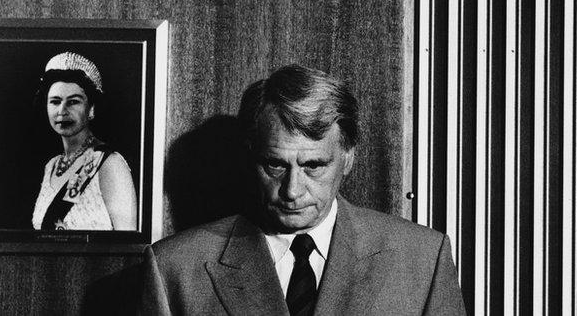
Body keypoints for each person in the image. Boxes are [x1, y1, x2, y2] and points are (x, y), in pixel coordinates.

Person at [140, 64, 465, 315]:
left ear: (347, 159)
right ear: (250, 156)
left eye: (313, 166)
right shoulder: (175, 269)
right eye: (275, 165)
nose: (292, 191)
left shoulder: (422, 260)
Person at [31, 51, 138, 231]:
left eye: (73, 102)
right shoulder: (51, 166)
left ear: (91, 109)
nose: (62, 111)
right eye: (55, 102)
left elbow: (128, 249)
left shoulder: (109, 164)